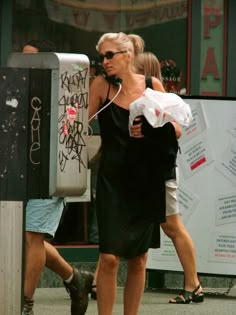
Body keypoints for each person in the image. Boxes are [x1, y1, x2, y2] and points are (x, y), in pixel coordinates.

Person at [89, 32, 181, 315]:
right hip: (112, 181)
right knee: (108, 258)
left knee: (139, 259)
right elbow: (78, 124)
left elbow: (176, 127)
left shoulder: (152, 85)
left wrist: (152, 128)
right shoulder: (102, 86)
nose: (104, 61)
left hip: (145, 181)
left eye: (109, 55)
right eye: (101, 56)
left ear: (128, 55)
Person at [22, 39, 93, 315]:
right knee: (27, 240)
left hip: (49, 172)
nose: (25, 65)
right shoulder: (18, 89)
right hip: (22, 171)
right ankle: (76, 279)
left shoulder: (65, 93)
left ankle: (25, 303)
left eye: (32, 60)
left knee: (31, 237)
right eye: (21, 58)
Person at [134, 51, 204, 304]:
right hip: (149, 172)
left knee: (172, 227)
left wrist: (153, 124)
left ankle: (193, 283)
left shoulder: (158, 96)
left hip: (161, 172)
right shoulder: (139, 95)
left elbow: (176, 129)